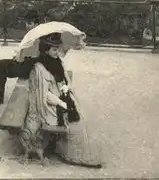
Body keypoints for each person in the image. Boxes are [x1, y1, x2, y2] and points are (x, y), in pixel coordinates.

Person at [19, 33, 102, 168]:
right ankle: (72, 155)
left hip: (62, 98)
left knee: (83, 115)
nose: (57, 52)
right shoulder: (39, 68)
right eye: (54, 49)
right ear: (46, 50)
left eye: (58, 49)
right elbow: (43, 95)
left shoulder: (59, 63)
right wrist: (62, 103)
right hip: (50, 105)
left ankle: (83, 154)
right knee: (75, 122)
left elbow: (66, 82)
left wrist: (66, 87)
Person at [0, 9, 41, 104]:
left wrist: (18, 57)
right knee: (2, 64)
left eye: (30, 23)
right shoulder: (37, 33)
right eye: (26, 23)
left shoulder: (36, 36)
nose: (27, 26)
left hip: (29, 66)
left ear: (36, 23)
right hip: (29, 63)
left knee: (1, 65)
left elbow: (29, 54)